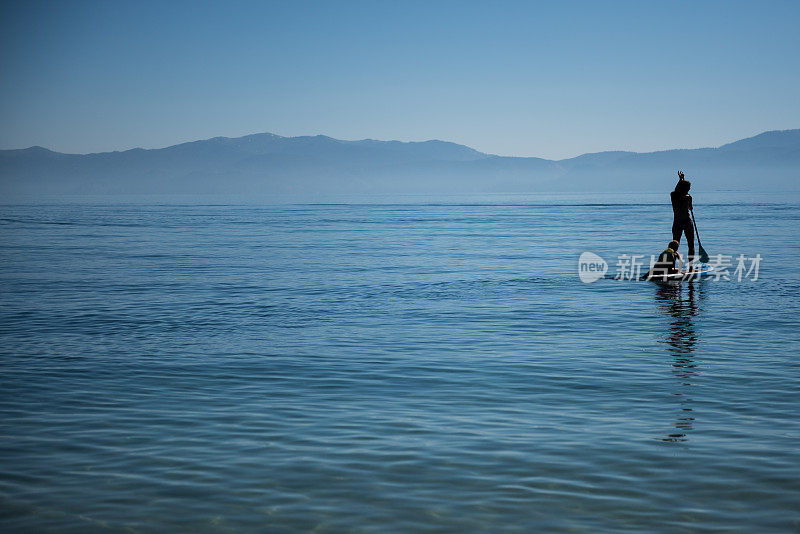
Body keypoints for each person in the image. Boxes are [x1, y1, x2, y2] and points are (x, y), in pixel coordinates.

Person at [671, 171, 695, 266]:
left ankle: (672, 266)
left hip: (680, 222)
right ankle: (690, 266)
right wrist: (681, 180)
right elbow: (690, 207)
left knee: (675, 246)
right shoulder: (688, 197)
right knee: (689, 245)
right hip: (684, 222)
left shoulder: (674, 196)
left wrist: (681, 180)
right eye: (688, 188)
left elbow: (677, 191)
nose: (689, 189)